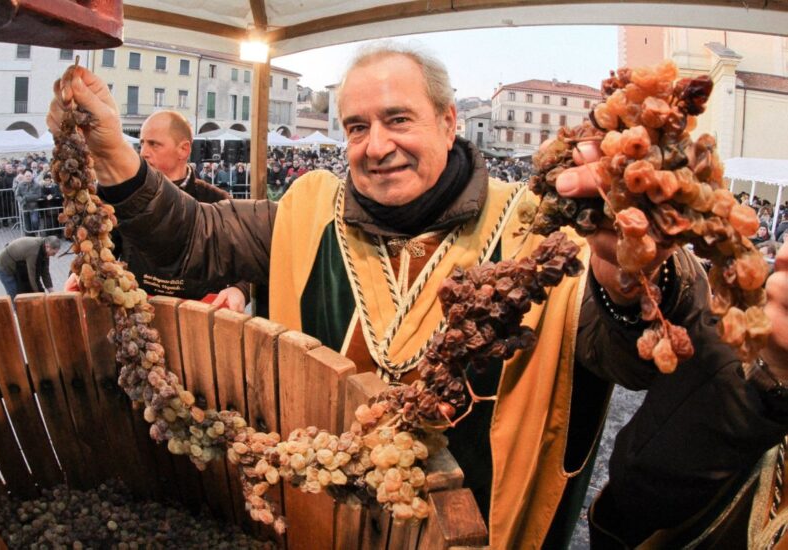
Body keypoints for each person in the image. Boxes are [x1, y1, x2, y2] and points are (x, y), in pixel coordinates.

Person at [48, 43, 788, 548]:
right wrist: (118, 160)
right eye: (357, 126)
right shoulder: (306, 209)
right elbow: (194, 240)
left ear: (448, 120)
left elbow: (625, 351)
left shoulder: (539, 228)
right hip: (326, 525)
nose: (375, 145)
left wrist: (626, 272)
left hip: (483, 529)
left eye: (398, 119)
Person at [107, 109, 247, 311]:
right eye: (142, 143)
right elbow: (106, 247)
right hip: (137, 318)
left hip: (198, 323)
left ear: (183, 149)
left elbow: (247, 262)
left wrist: (239, 289)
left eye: (153, 144)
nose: (143, 152)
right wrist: (85, 272)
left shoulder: (217, 201)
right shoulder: (126, 198)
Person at [0, 235, 61, 301]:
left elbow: (45, 273)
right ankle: (16, 310)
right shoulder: (35, 252)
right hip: (4, 266)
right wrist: (41, 297)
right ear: (47, 246)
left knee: (26, 292)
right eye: (53, 253)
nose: (53, 256)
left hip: (17, 264)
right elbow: (33, 278)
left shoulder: (44, 249)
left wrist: (52, 293)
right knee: (16, 297)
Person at [15, 169, 42, 234]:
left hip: (34, 207)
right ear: (24, 177)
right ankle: (29, 237)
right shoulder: (20, 185)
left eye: (29, 176)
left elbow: (38, 195)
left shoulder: (37, 185)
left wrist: (26, 197)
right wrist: (22, 200)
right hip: (24, 207)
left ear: (32, 176)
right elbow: (17, 195)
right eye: (27, 176)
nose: (28, 177)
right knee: (27, 226)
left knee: (34, 221)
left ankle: (36, 232)